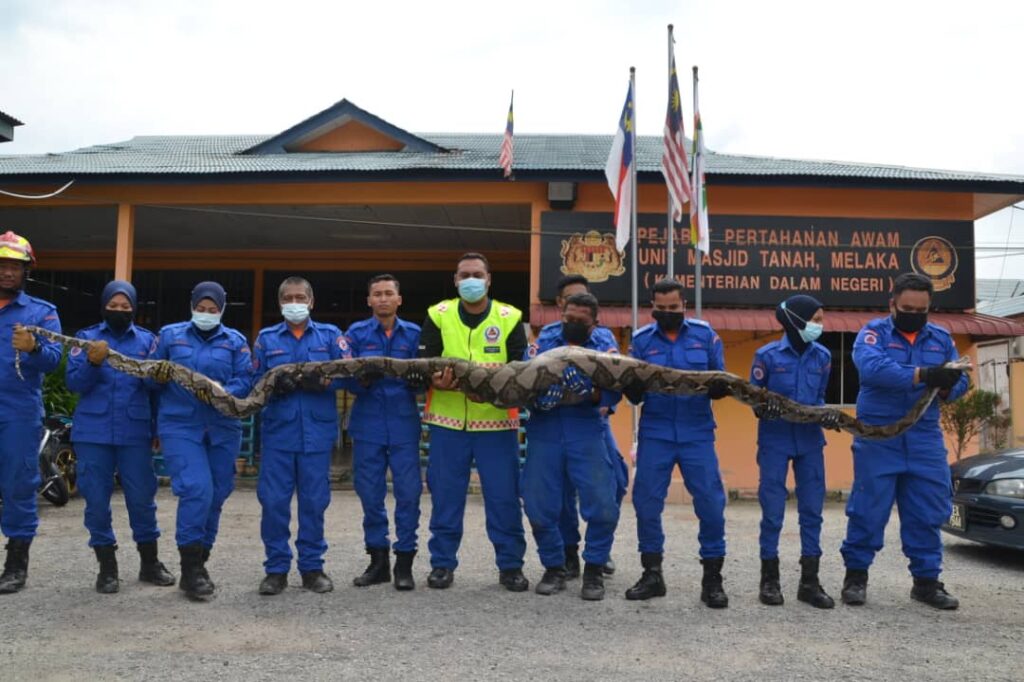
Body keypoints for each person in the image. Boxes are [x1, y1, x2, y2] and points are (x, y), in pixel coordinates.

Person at [840, 273, 967, 610]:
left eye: (921, 309)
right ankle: (856, 577)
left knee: (927, 510)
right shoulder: (873, 334)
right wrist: (924, 375)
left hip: (924, 438)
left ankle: (926, 582)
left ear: (929, 308)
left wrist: (947, 384)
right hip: (879, 437)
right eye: (907, 307)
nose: (914, 313)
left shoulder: (941, 338)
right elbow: (873, 370)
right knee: (868, 508)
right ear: (892, 303)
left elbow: (961, 381)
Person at [420, 252, 529, 591]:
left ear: (488, 279)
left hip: (496, 424)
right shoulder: (437, 315)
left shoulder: (510, 317)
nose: (471, 280)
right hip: (447, 424)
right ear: (455, 281)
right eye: (464, 274)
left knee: (503, 498)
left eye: (477, 274)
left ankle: (511, 565)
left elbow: (518, 371)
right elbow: (424, 363)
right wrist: (434, 379)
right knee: (445, 497)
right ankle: (442, 564)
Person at [623, 278, 732, 608]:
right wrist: (632, 386)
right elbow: (631, 389)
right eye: (661, 308)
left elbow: (722, 378)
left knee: (711, 505)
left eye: (674, 307)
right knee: (645, 503)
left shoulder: (705, 335)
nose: (668, 313)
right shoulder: (641, 341)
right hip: (655, 430)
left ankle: (712, 578)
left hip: (697, 431)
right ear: (653, 307)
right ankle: (652, 574)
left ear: (684, 305)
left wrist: (717, 387)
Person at [65, 280, 175, 593]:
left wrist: (156, 427)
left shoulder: (148, 341)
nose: (119, 311)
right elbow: (75, 383)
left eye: (125, 307)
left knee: (142, 499)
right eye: (113, 306)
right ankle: (107, 567)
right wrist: (91, 361)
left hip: (134, 431)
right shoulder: (87, 338)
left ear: (134, 309)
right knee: (96, 501)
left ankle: (149, 563)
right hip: (93, 433)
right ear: (103, 307)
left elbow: (155, 391)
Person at [149, 281, 254, 600]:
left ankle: (201, 560)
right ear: (192, 306)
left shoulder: (235, 341)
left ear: (221, 310)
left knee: (218, 493)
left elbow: (246, 379)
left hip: (222, 425)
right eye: (201, 308)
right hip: (181, 425)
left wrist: (220, 392)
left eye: (212, 310)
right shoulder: (169, 336)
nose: (206, 314)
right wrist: (158, 376)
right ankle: (190, 569)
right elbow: (150, 379)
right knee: (197, 489)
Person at [522, 292, 621, 600]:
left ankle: (593, 569)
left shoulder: (604, 344)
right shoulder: (545, 339)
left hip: (585, 428)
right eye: (568, 319)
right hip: (545, 427)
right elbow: (524, 378)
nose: (573, 325)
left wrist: (591, 394)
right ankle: (555, 567)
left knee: (603, 504)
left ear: (594, 323)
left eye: (581, 321)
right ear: (560, 314)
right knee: (538, 505)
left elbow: (617, 387)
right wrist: (537, 399)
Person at [252, 276, 344, 596]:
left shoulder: (330, 336)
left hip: (316, 435)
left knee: (314, 503)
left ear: (311, 301)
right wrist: (274, 385)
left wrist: (325, 381)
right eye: (288, 298)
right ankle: (276, 569)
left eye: (300, 297)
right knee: (274, 503)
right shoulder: (266, 339)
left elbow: (347, 374)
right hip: (279, 433)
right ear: (280, 304)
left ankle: (312, 567)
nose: (295, 303)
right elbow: (254, 380)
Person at [749, 294, 838, 609]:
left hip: (811, 442)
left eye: (821, 318)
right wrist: (764, 408)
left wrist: (825, 412)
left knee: (812, 511)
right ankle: (769, 579)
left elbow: (821, 396)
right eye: (815, 318)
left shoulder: (824, 356)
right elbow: (753, 401)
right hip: (775, 441)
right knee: (772, 512)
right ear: (796, 320)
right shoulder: (766, 356)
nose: (819, 324)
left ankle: (809, 582)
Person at [343, 274, 426, 591]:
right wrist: (360, 380)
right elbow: (342, 377)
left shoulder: (415, 334)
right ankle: (378, 563)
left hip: (404, 424)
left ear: (399, 299)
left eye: (388, 293)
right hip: (368, 426)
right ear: (369, 300)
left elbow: (427, 376)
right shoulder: (355, 334)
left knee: (409, 495)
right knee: (370, 495)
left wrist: (419, 382)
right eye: (376, 293)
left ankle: (404, 563)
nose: (382, 298)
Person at [0, 231, 61, 595]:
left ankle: (15, 565)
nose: (8, 273)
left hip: (18, 413)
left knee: (18, 485)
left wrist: (35, 345)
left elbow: (54, 360)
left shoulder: (41, 312)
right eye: (3, 265)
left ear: (27, 272)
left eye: (15, 267)